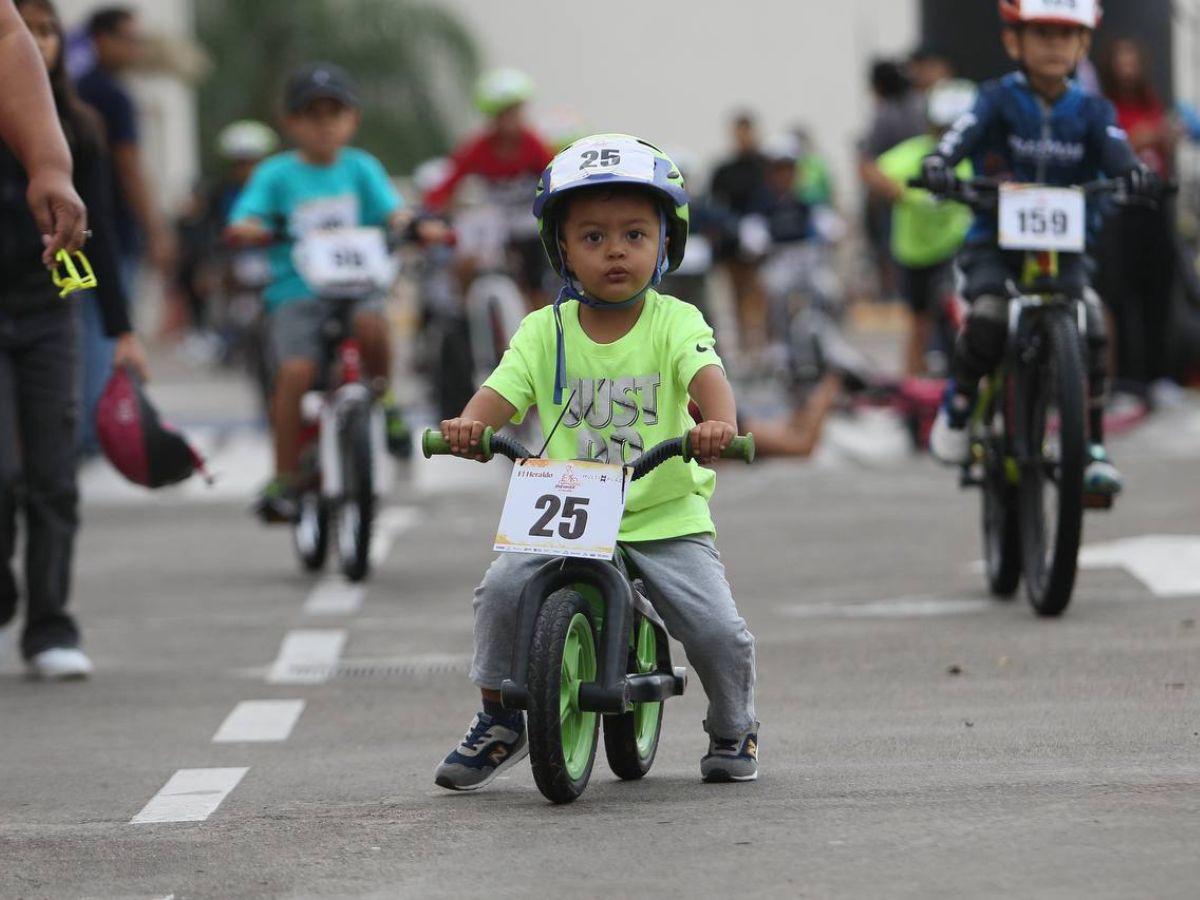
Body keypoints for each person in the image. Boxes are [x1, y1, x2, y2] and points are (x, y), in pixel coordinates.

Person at [434, 135, 758, 790]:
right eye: (592, 237)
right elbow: (499, 394)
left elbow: (707, 375)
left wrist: (717, 423)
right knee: (500, 592)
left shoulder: (675, 320)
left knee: (717, 630)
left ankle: (733, 724)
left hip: (662, 510)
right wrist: (470, 426)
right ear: (561, 249)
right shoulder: (543, 331)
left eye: (635, 234)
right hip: (568, 509)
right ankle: (499, 716)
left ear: (665, 243)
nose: (615, 251)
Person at [922, 0, 1156, 502]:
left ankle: (1092, 446)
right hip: (995, 244)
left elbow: (1117, 149)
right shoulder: (995, 99)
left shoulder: (1093, 110)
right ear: (1014, 42)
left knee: (1092, 322)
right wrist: (940, 162)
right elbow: (961, 136)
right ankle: (959, 405)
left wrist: (1135, 172)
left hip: (1065, 248)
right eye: (1041, 34)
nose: (1054, 45)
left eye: (1065, 35)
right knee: (988, 317)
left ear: (1084, 45)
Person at [1, 0, 149, 680]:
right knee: (4, 474)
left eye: (47, 30)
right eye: (26, 30)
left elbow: (103, 238)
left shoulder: (79, 129)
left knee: (55, 475)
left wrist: (122, 331)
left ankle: (50, 626)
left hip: (48, 311)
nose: (37, 43)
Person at [226, 63, 406, 522]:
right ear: (291, 122)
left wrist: (411, 223)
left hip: (358, 285)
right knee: (295, 372)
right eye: (312, 114)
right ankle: (284, 476)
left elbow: (393, 212)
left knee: (374, 327)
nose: (324, 124)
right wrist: (248, 227)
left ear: (353, 119)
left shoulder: (361, 168)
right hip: (296, 291)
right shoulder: (276, 174)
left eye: (335, 113)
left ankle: (385, 402)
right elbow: (245, 216)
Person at [75, 7, 174, 453]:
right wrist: (156, 229)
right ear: (101, 38)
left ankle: (83, 429)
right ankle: (95, 432)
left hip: (75, 228)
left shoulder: (76, 88)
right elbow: (129, 166)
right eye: (128, 38)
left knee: (82, 329)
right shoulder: (111, 95)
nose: (135, 48)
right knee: (106, 329)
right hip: (109, 229)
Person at [864, 79, 976, 376]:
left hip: (955, 250)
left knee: (960, 313)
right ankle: (913, 387)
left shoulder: (974, 158)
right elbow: (871, 170)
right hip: (914, 254)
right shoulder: (916, 153)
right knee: (919, 325)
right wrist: (897, 192)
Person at [422, 68, 554, 306]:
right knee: (465, 260)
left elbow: (555, 176)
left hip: (528, 219)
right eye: (504, 113)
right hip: (494, 222)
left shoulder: (533, 144)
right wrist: (429, 212)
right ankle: (465, 310)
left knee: (535, 278)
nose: (511, 120)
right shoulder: (478, 147)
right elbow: (449, 182)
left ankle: (540, 314)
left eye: (516, 111)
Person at [1096, 38, 1177, 396]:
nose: (1128, 68)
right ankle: (1128, 378)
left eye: (1133, 60)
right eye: (1122, 60)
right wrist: (1137, 138)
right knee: (1119, 289)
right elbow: (1107, 149)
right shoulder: (1102, 107)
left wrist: (1165, 138)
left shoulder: (1151, 101)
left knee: (1158, 288)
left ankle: (1158, 375)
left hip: (1155, 203)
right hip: (1120, 207)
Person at [710, 111, 769, 355]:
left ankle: (761, 341)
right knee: (737, 292)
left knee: (759, 292)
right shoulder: (725, 171)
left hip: (762, 241)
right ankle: (744, 344)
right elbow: (715, 204)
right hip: (732, 243)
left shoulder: (764, 166)